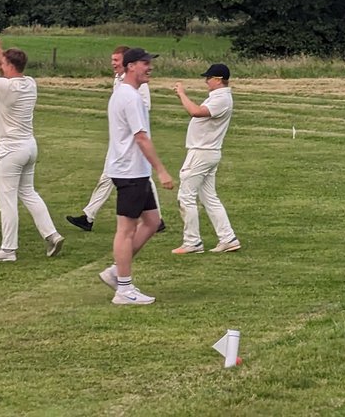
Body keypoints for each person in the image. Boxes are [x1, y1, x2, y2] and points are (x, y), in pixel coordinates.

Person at [0, 32, 64, 263]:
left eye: (2, 63)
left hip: (10, 151)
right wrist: (0, 54)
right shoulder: (30, 83)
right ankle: (52, 234)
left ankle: (8, 249)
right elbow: (7, 71)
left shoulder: (6, 88)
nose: (0, 66)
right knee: (28, 193)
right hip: (29, 147)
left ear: (9, 65)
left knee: (7, 201)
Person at [97, 48, 175, 304]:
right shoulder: (129, 97)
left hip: (136, 171)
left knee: (152, 221)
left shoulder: (130, 94)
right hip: (129, 171)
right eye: (144, 63)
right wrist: (161, 170)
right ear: (131, 66)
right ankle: (124, 289)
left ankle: (116, 271)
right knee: (126, 230)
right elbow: (140, 137)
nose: (149, 67)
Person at [66, 46, 164, 233]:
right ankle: (89, 215)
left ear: (127, 64)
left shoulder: (140, 85)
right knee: (110, 177)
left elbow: (144, 108)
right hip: (120, 142)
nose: (113, 64)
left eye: (116, 60)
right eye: (112, 60)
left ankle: (155, 220)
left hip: (131, 142)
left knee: (141, 179)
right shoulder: (118, 80)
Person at [170, 63, 240, 255]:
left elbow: (196, 112)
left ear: (218, 80)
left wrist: (182, 95)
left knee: (185, 196)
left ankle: (192, 242)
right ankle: (228, 238)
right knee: (209, 197)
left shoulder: (222, 98)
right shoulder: (219, 97)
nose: (206, 81)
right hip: (208, 152)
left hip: (201, 152)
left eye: (208, 78)